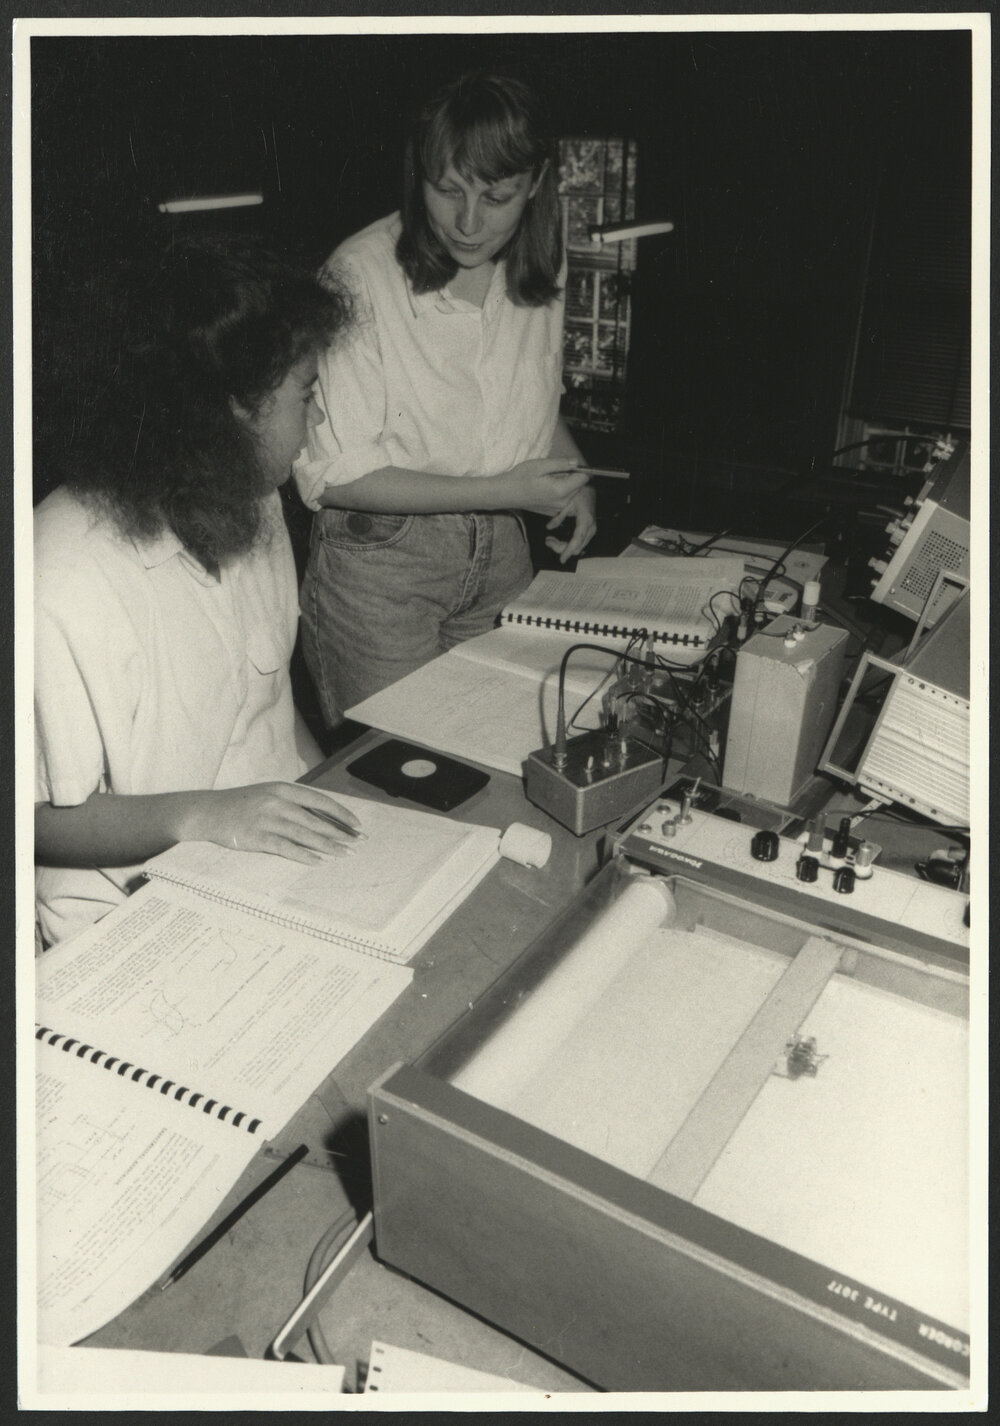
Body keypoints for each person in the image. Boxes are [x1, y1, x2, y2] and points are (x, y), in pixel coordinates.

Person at [34, 235, 364, 947]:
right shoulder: (55, 576)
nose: (322, 418)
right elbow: (29, 818)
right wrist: (206, 815)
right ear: (235, 409)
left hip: (268, 868)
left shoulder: (252, 498)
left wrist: (337, 804)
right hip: (130, 921)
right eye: (307, 393)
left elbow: (271, 710)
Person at [294, 70, 597, 724]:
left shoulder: (542, 262)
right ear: (419, 174)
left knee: (498, 753)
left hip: (504, 557)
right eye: (447, 189)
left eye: (497, 196)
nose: (468, 222)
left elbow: (529, 396)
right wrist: (511, 491)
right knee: (402, 778)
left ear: (537, 183)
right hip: (385, 568)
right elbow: (340, 477)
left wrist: (572, 476)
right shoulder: (359, 274)